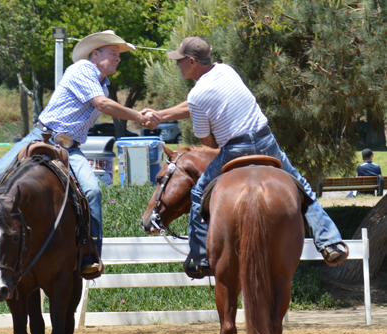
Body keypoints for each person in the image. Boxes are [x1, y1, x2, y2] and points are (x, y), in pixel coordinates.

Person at [0, 30, 159, 278]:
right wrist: (139, 116)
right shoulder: (83, 69)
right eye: (113, 53)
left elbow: (103, 102)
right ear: (95, 54)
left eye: (119, 55)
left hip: (70, 148)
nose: (118, 59)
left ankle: (90, 253)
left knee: (93, 192)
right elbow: (102, 105)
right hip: (41, 137)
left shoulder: (103, 85)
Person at [143, 36, 348, 278]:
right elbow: (193, 104)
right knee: (301, 186)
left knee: (198, 193)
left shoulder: (198, 94)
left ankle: (199, 257)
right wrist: (160, 115)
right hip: (265, 141)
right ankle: (330, 242)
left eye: (179, 61)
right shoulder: (226, 70)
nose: (176, 64)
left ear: (191, 61)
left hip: (235, 148)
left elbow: (209, 142)